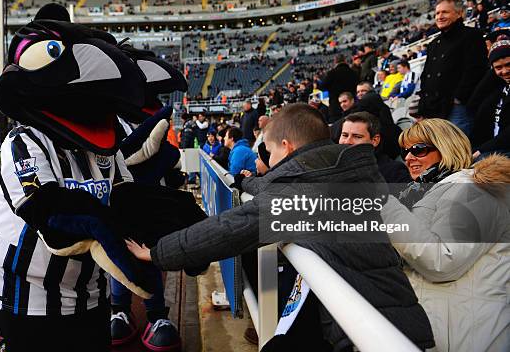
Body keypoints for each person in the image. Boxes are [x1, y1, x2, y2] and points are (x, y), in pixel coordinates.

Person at [126, 104, 435, 351]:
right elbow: (280, 185)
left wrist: (158, 253)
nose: (270, 161)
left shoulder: (305, 193)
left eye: (271, 153)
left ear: (287, 147)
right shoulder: (337, 172)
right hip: (394, 320)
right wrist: (248, 182)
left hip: (372, 333)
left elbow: (232, 228)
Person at [381, 119, 510, 352]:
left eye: (418, 149)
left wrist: (385, 205)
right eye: (405, 151)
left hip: (466, 336)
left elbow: (442, 261)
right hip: (440, 328)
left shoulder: (476, 189)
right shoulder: (427, 191)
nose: (409, 157)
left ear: (446, 147)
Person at [418, 0, 489, 136]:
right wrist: (423, 107)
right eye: (437, 13)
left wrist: (458, 99)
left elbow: (475, 70)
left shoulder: (471, 35)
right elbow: (426, 76)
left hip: (456, 109)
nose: (439, 16)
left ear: (459, 13)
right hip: (433, 109)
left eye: (445, 12)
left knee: (458, 152)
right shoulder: (433, 44)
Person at [339, 112, 411, 183]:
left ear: (374, 140)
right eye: (345, 135)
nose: (347, 141)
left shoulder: (393, 172)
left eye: (357, 137)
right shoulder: (332, 166)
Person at [469, 36, 510, 157]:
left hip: (498, 149)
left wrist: (482, 150)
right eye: (498, 67)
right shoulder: (498, 90)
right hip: (491, 147)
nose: (505, 71)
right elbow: (474, 101)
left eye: (509, 64)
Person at [316, 55, 359, 122]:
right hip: (351, 103)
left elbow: (322, 87)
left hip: (335, 106)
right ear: (345, 61)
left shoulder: (332, 73)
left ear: (335, 62)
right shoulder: (353, 72)